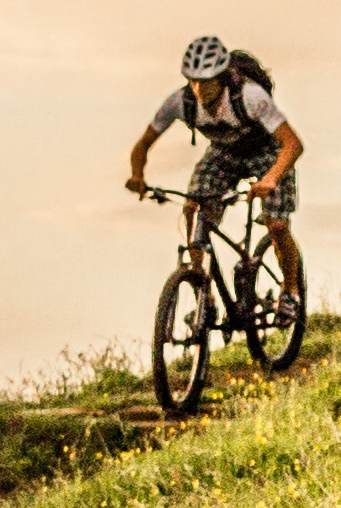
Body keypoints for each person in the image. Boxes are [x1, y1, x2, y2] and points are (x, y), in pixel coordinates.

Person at [119, 32, 306, 312]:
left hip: (267, 153)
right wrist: (137, 176)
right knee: (194, 211)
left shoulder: (251, 96)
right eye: (193, 80)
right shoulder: (180, 103)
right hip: (224, 154)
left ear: (221, 77)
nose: (198, 88)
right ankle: (203, 292)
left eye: (205, 81)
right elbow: (143, 143)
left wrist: (270, 178)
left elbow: (292, 144)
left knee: (277, 224)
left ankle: (290, 290)